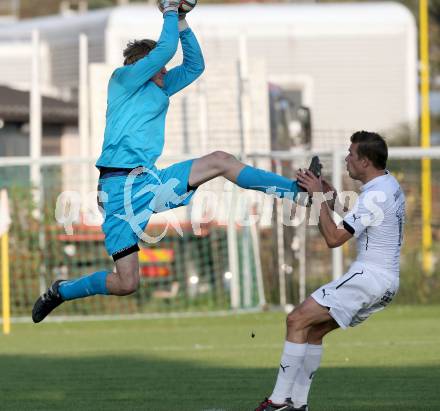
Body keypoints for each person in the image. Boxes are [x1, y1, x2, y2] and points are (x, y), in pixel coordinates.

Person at [32, 1, 319, 323]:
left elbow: (195, 66)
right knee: (127, 283)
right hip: (118, 191)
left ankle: (294, 191)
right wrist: (169, 10)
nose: (167, 71)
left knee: (221, 161)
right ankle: (62, 290)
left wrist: (181, 21)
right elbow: (166, 50)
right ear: (143, 64)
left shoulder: (159, 87)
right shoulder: (124, 79)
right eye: (160, 67)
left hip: (151, 182)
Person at [254, 131, 405, 411]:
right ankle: (298, 405)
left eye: (351, 154)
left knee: (296, 319)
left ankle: (278, 403)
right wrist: (329, 196)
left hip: (370, 276)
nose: (347, 158)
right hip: (385, 281)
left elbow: (334, 239)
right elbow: (360, 215)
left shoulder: (377, 195)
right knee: (312, 331)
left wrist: (318, 198)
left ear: (366, 162)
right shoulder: (386, 184)